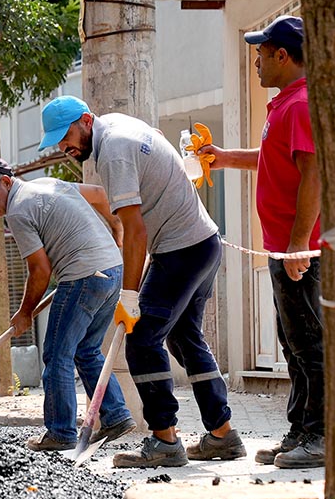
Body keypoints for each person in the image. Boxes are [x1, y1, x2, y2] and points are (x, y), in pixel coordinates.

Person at [40, 95, 245, 468]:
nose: (63, 147)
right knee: (184, 338)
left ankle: (164, 440)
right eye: (57, 140)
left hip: (182, 248)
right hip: (202, 243)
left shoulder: (113, 150)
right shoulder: (118, 127)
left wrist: (129, 294)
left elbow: (135, 231)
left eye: (65, 136)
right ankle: (222, 434)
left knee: (142, 339)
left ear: (86, 120)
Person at [197, 15, 324, 469]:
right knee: (291, 344)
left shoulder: (301, 104)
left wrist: (297, 246)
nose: (256, 62)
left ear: (283, 56)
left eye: (261, 53)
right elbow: (277, 159)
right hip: (282, 248)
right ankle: (300, 431)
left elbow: (313, 176)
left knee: (309, 343)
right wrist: (226, 157)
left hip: (298, 251)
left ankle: (321, 435)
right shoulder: (285, 105)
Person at [0, 158, 136, 451]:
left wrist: (25, 312)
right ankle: (116, 415)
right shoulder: (48, 184)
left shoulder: (18, 210)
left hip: (83, 277)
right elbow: (100, 194)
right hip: (112, 271)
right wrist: (115, 229)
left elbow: (39, 270)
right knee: (87, 350)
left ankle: (60, 432)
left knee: (57, 355)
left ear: (5, 182)